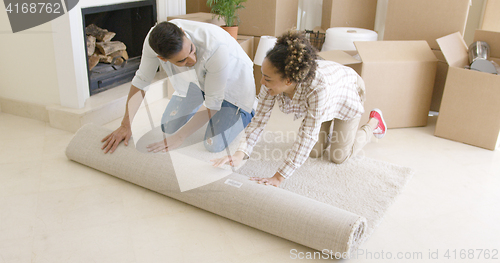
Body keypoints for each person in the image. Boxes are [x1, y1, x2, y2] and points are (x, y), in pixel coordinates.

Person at [211, 30, 387, 187]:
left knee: (338, 156)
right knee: (314, 152)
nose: (262, 83)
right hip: (323, 103)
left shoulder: (318, 88)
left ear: (288, 81)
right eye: (263, 76)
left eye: (268, 79)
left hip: (347, 92)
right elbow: (259, 120)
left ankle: (374, 122)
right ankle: (333, 130)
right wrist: (240, 153)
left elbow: (307, 135)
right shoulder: (270, 82)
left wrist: (278, 177)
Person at [101, 19, 255, 154]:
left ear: (183, 33)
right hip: (199, 83)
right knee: (167, 126)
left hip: (234, 86)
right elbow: (141, 81)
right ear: (162, 58)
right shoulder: (153, 41)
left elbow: (213, 103)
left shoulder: (215, 47)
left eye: (191, 50)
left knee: (213, 145)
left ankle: (247, 112)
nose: (193, 60)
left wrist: (179, 137)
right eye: (182, 61)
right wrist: (125, 125)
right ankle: (202, 98)